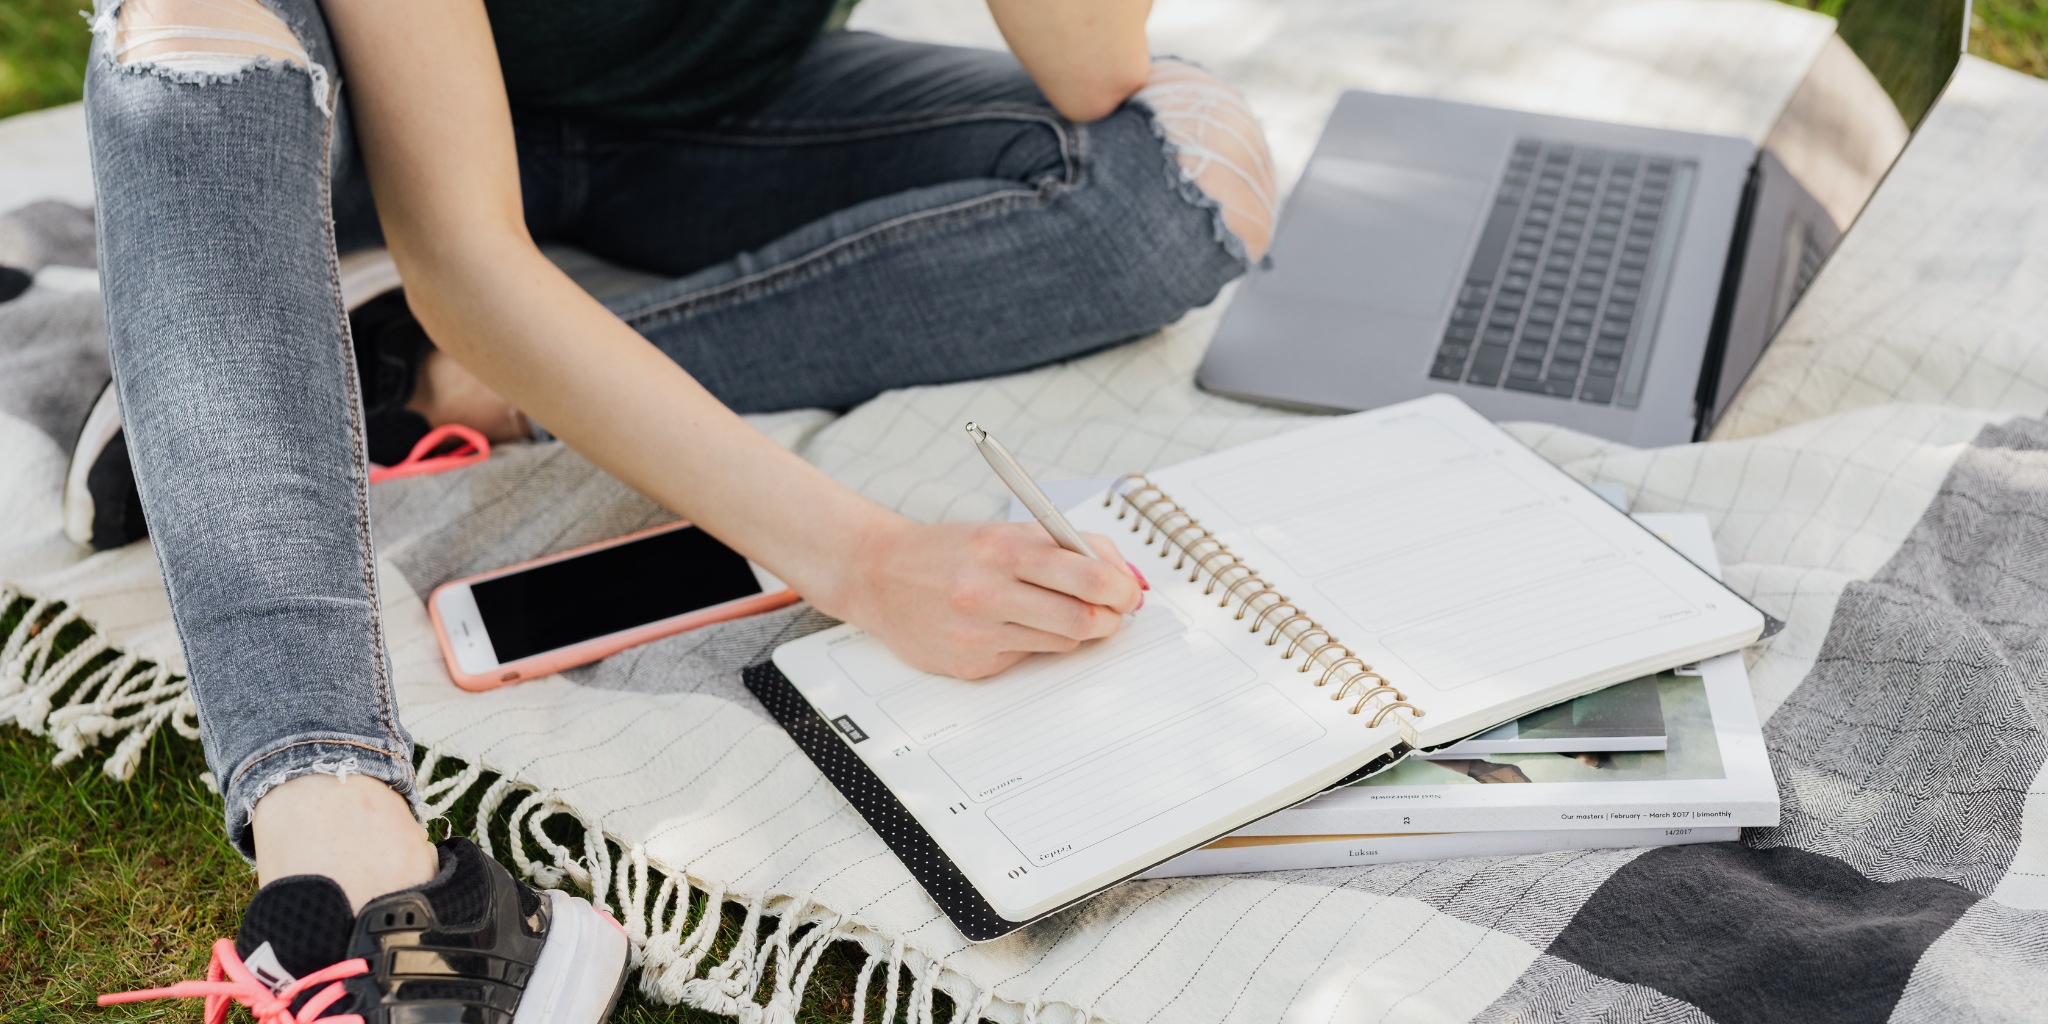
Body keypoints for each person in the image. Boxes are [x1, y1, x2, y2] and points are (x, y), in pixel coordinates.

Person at [78, 0, 1274, 1017]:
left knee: (1181, 175)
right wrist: (864, 559)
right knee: (193, 9)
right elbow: (464, 250)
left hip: (702, 120)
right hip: (345, 120)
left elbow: (1093, 69)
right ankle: (350, 879)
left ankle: (352, 377)